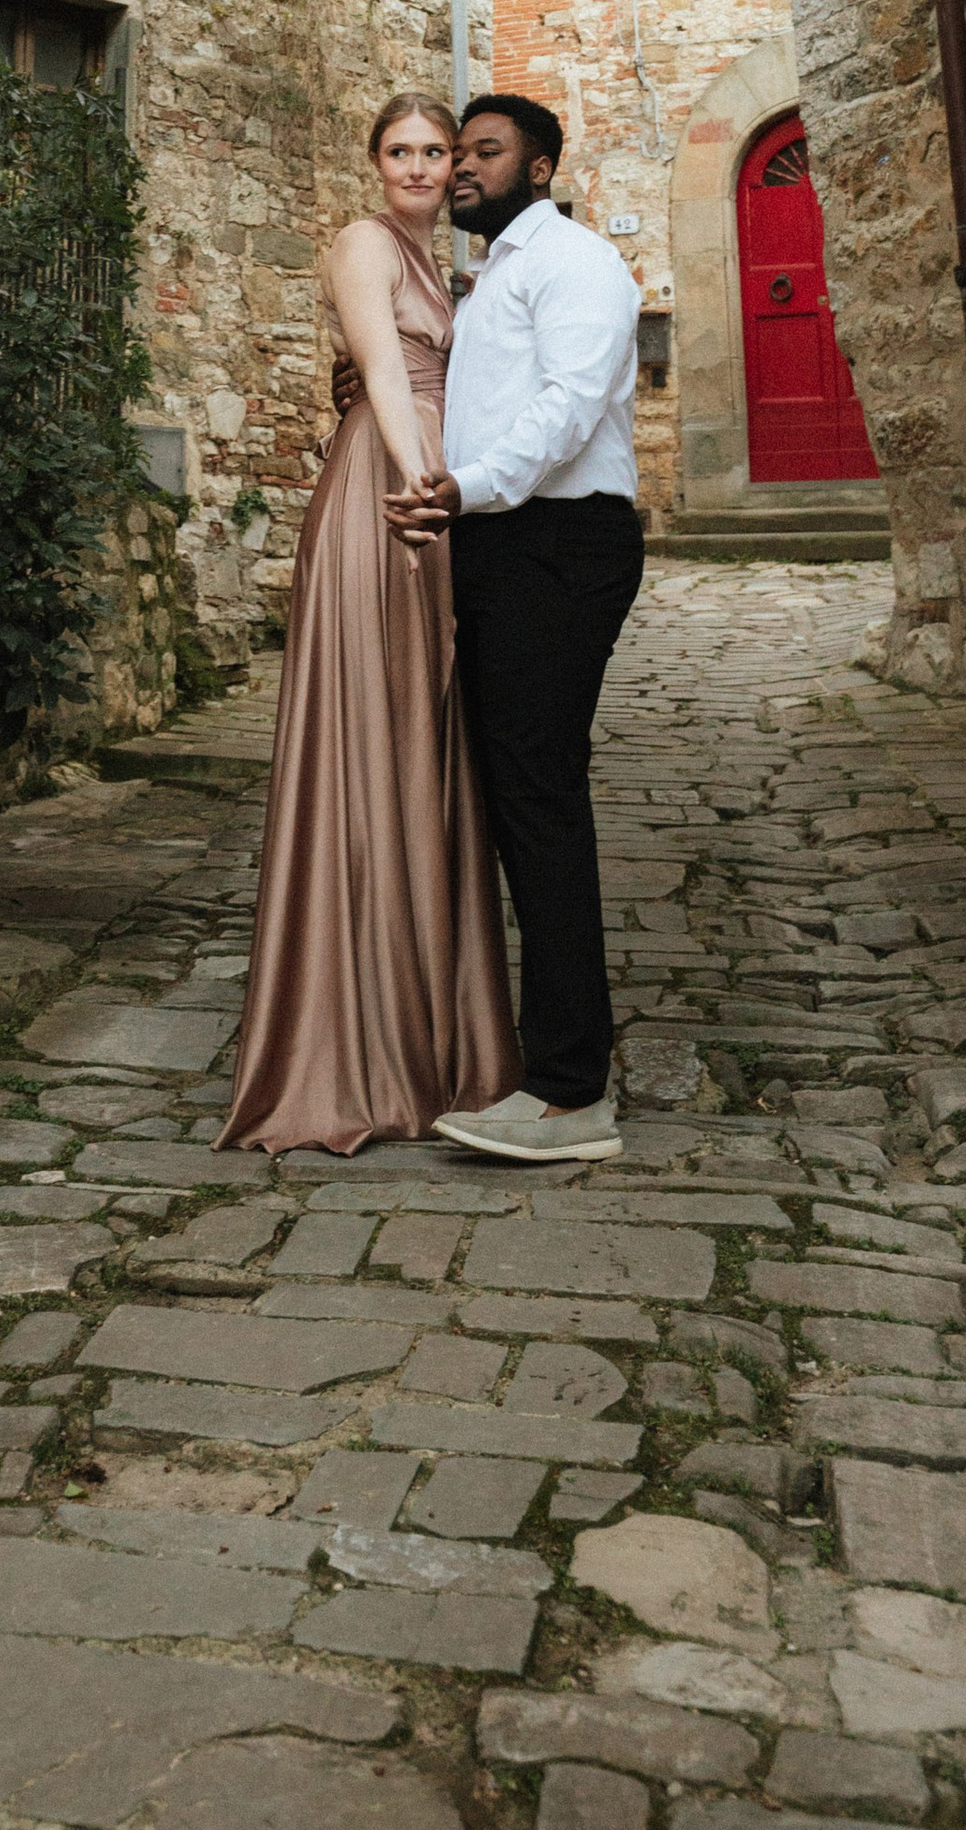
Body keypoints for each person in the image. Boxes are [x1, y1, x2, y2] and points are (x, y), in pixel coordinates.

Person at [220, 92, 521, 1154]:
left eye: (435, 151)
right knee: (376, 738)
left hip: (442, 499)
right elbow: (385, 373)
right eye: (399, 150)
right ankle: (352, 1043)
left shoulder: (442, 267)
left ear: (453, 167)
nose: (418, 167)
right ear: (373, 162)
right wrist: (417, 486)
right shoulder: (363, 243)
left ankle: (433, 1034)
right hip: (388, 501)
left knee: (429, 745)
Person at [385, 94, 642, 1166]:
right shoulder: (495, 276)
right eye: (456, 154)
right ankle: (535, 1059)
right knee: (508, 798)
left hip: (558, 543)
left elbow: (570, 406)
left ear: (539, 169)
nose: (458, 171)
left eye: (484, 153)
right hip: (501, 542)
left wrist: (466, 486)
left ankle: (571, 1092)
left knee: (538, 798)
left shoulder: (573, 261)